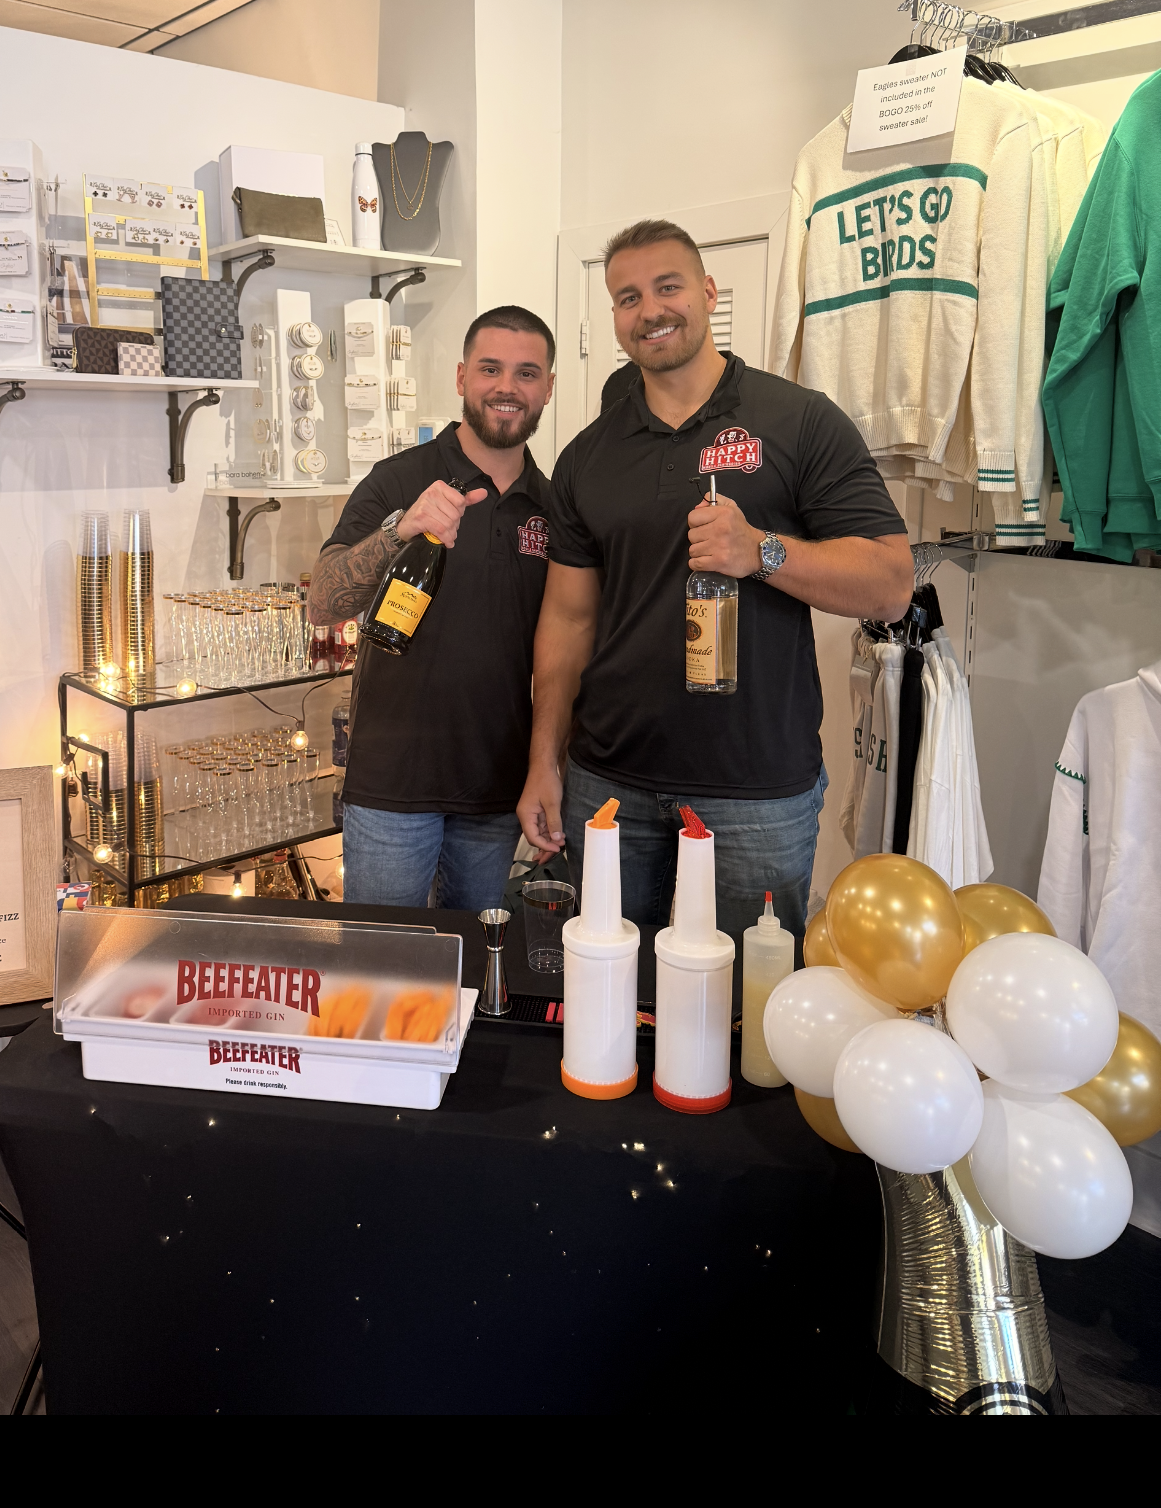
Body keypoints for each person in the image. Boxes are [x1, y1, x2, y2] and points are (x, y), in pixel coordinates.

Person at [517, 221, 913, 958]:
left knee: (742, 1018)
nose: (649, 310)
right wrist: (544, 761)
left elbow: (891, 584)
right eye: (627, 297)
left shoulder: (798, 421)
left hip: (754, 788)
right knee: (612, 994)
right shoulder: (587, 455)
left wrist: (760, 551)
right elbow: (568, 623)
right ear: (613, 317)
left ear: (706, 292)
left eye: (667, 287)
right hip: (608, 782)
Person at [310, 304, 555, 911]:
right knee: (382, 974)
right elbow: (322, 601)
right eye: (490, 368)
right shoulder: (400, 479)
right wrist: (400, 529)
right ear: (461, 377)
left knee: (475, 971)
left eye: (527, 373)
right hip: (393, 784)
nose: (506, 387)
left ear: (548, 386)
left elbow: (565, 649)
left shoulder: (553, 505)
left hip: (497, 791)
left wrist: (551, 772)